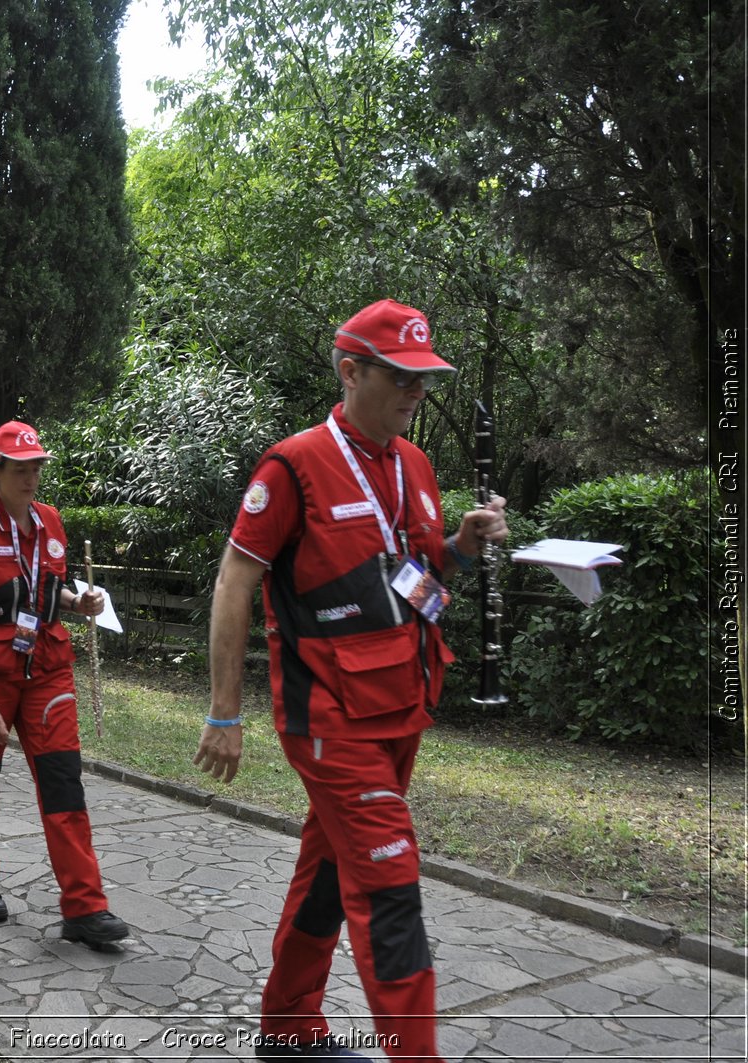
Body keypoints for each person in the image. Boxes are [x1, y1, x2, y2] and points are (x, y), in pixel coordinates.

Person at [194, 299, 509, 1062]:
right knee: (391, 882)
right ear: (351, 371)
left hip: (402, 706)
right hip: (330, 718)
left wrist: (459, 549)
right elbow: (236, 579)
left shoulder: (416, 465)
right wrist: (225, 711)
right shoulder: (293, 465)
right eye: (401, 378)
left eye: (425, 380)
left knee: (332, 870)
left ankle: (289, 1027)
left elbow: (414, 582)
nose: (416, 394)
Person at [0, 421, 131, 949]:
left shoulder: (50, 522)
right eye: (19, 469)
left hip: (47, 670)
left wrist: (76, 602)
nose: (30, 478)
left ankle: (85, 908)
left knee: (65, 783)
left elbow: (46, 589)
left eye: (36, 467)